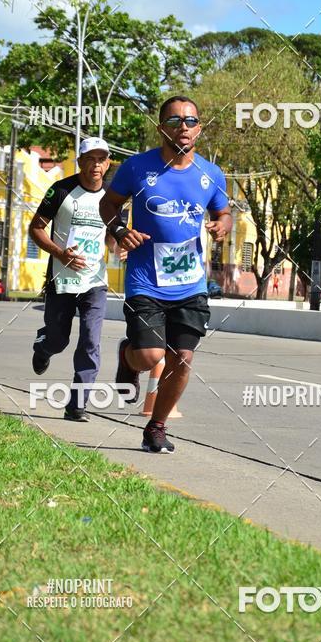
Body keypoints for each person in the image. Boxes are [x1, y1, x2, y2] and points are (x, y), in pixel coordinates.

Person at [99, 95, 232, 454]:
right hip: (145, 279)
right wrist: (119, 230)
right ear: (161, 128)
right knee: (149, 356)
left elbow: (224, 213)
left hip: (190, 283)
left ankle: (156, 427)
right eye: (174, 121)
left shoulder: (211, 173)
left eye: (190, 121)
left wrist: (223, 225)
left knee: (183, 357)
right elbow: (108, 203)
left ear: (199, 128)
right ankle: (128, 356)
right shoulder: (136, 167)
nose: (183, 127)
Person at [29, 137, 122, 422]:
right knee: (58, 340)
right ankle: (43, 345)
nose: (96, 165)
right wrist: (60, 253)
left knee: (91, 341)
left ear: (108, 163)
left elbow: (111, 237)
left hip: (95, 281)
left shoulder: (112, 198)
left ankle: (77, 404)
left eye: (101, 159)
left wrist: (119, 246)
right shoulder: (60, 190)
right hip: (62, 279)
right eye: (90, 159)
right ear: (80, 161)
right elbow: (36, 228)